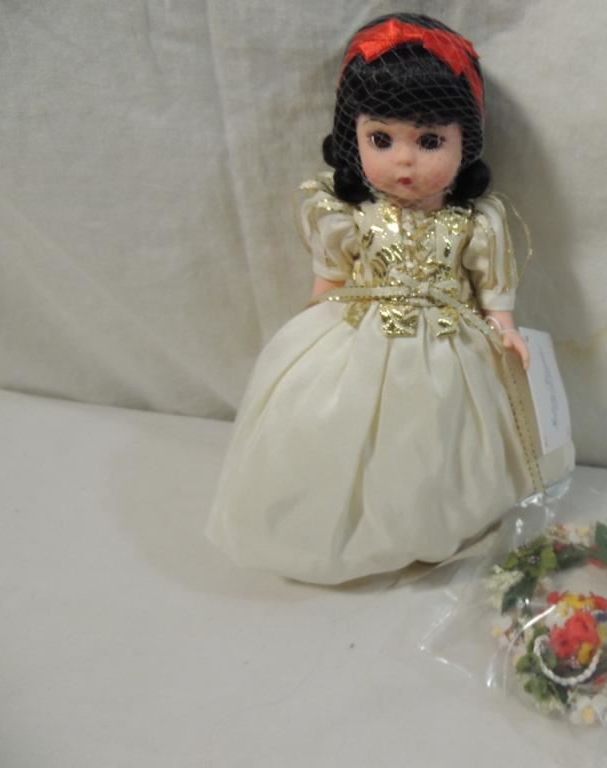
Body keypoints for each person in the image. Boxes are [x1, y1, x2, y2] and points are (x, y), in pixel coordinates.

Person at [206, 13, 568, 584]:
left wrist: (505, 329)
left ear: (465, 143)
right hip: (360, 332)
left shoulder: (473, 222)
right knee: (343, 431)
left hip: (449, 343)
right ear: (352, 138)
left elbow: (493, 288)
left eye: (430, 141)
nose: (404, 160)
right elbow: (329, 281)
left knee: (443, 438)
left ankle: (434, 522)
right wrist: (308, 330)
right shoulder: (344, 215)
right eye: (382, 139)